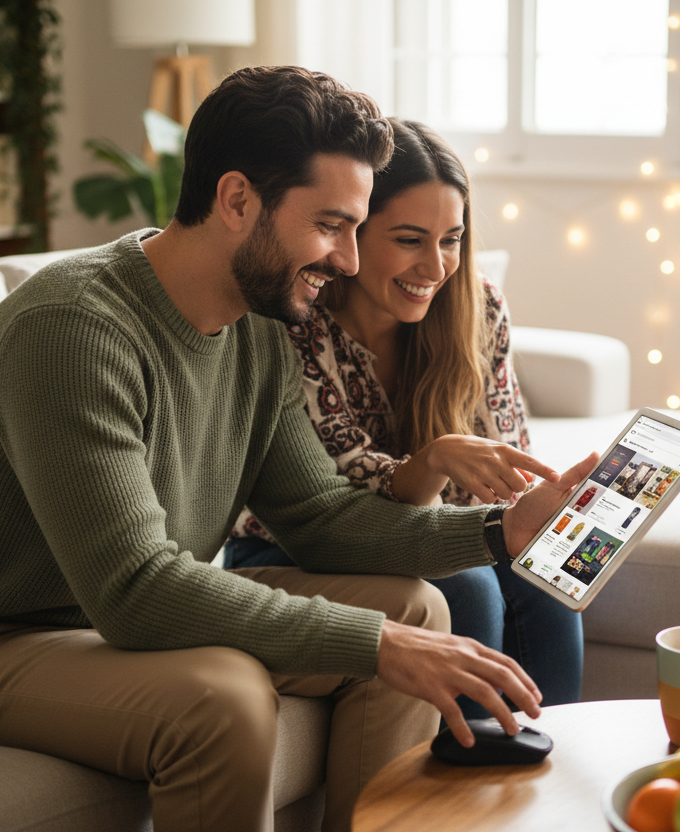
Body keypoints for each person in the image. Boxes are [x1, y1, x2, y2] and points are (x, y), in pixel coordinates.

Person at [0, 66, 595, 832]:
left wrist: (499, 532)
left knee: (416, 607)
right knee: (226, 699)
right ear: (236, 200)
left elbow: (321, 518)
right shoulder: (71, 328)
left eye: (355, 228)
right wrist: (374, 644)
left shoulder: (259, 328)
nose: (349, 260)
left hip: (106, 622)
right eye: (329, 225)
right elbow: (135, 590)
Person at [227, 119, 584, 718]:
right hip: (294, 549)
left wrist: (547, 513)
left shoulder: (479, 307)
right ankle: (457, 780)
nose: (436, 267)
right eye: (410, 239)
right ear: (353, 232)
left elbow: (505, 464)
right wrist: (433, 463)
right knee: (465, 583)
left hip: (429, 530)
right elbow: (339, 507)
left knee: (544, 577)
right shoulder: (295, 322)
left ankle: (545, 778)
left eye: (452, 239)